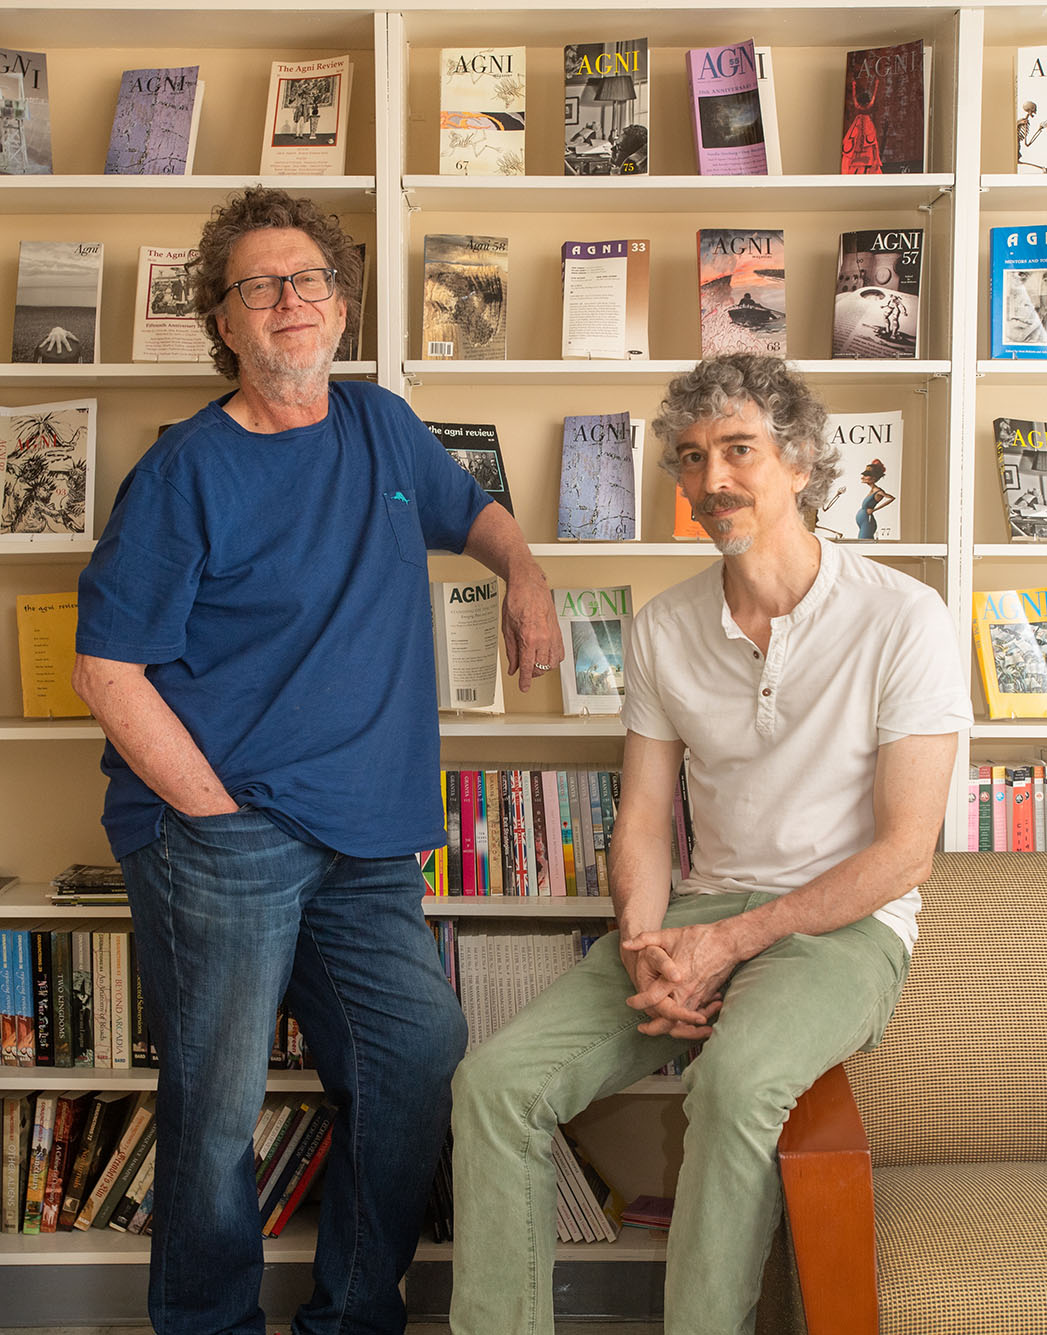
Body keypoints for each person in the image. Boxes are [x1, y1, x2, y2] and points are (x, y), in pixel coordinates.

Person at [71, 185, 562, 1335]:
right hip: (221, 838)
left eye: (309, 281)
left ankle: (351, 1317)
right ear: (225, 321)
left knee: (414, 1053)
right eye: (259, 286)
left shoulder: (382, 425)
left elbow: (469, 510)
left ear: (339, 307)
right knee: (216, 1101)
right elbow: (107, 670)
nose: (290, 302)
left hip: (370, 838)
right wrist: (216, 814)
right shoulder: (185, 470)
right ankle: (206, 1325)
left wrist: (524, 570)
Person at [448, 354, 972, 1335]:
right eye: (691, 459)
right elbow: (643, 819)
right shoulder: (663, 627)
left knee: (733, 1085)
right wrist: (649, 947)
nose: (712, 479)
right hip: (696, 915)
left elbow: (904, 855)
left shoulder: (905, 619)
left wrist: (726, 949)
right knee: (493, 1086)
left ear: (801, 462)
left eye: (739, 450)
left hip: (845, 931)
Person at [855, 457, 895, 538]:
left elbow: (891, 498)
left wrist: (874, 510)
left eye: (866, 475)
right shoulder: (872, 490)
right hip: (863, 521)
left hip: (867, 522)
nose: (862, 477)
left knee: (863, 543)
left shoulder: (878, 491)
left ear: (873, 478)